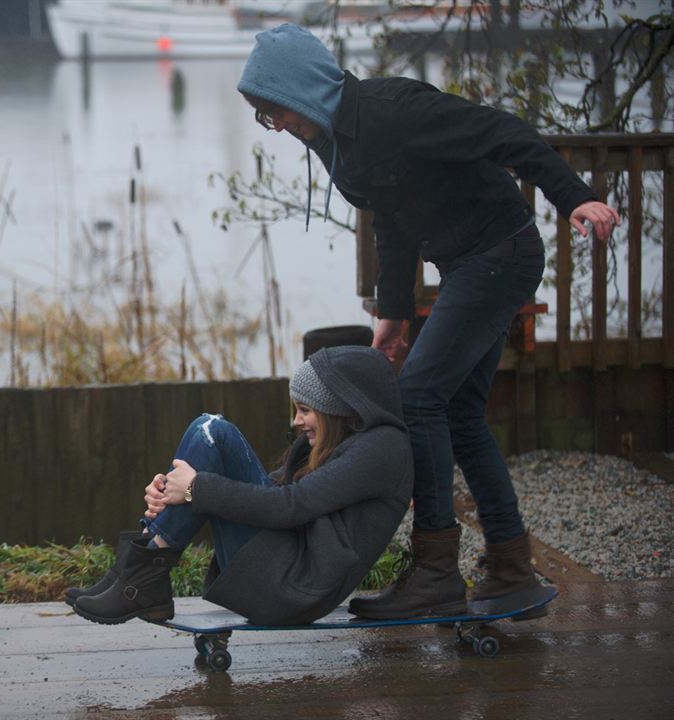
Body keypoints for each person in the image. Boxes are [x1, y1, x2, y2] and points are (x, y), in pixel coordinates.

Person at [236, 24, 622, 619]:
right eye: (266, 118)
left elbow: (505, 134)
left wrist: (573, 198)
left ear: (305, 87)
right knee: (460, 412)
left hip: (500, 254)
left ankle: (437, 571)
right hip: (471, 262)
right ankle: (511, 566)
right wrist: (392, 314)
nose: (278, 126)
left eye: (277, 110)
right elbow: (390, 219)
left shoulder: (395, 111)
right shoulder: (336, 138)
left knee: (417, 397)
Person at [66, 345, 413, 626]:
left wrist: (194, 488)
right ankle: (130, 574)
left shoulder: (381, 449)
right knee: (208, 436)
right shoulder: (350, 445)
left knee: (213, 430)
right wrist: (176, 490)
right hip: (286, 574)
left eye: (305, 409)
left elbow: (289, 506)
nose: (296, 421)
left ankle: (139, 579)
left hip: (293, 589)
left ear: (337, 408)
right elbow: (274, 492)